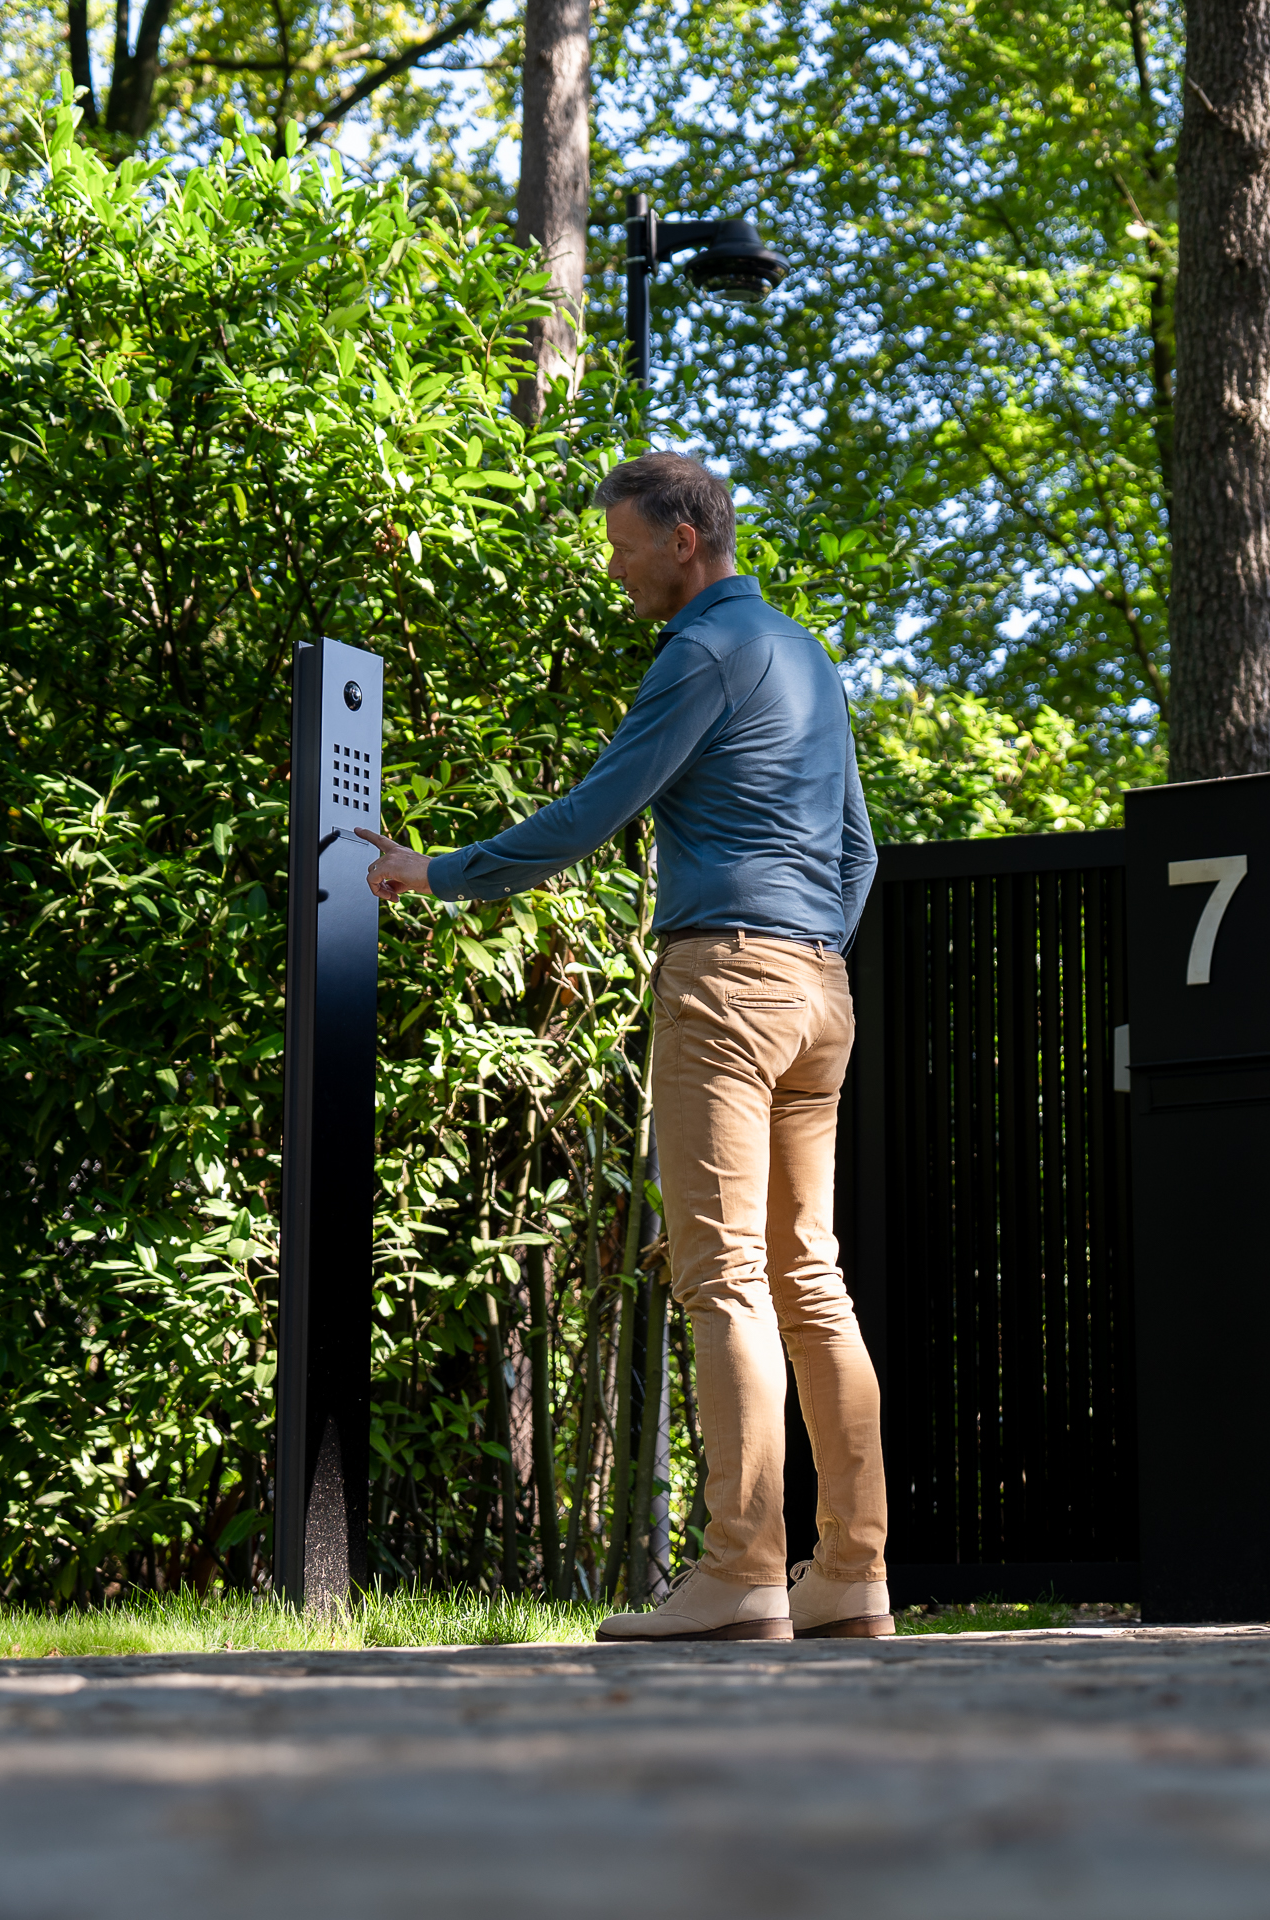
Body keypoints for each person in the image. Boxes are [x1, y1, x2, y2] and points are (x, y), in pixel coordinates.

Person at [355, 451, 889, 1643]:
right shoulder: (805, 655)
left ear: (683, 541)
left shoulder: (700, 654)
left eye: (622, 544)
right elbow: (859, 850)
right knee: (812, 1278)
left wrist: (432, 872)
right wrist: (810, 948)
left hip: (731, 983)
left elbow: (598, 809)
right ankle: (852, 1573)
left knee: (725, 1277)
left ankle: (744, 1569)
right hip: (821, 990)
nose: (615, 566)